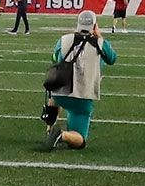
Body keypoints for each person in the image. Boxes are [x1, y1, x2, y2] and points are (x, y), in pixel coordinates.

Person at [43, 9, 119, 150]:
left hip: (60, 93)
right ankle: (62, 135)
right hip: (82, 96)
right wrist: (99, 36)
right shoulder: (101, 44)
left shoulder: (64, 40)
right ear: (95, 26)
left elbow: (55, 59)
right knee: (80, 139)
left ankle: (49, 128)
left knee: (53, 97)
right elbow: (112, 58)